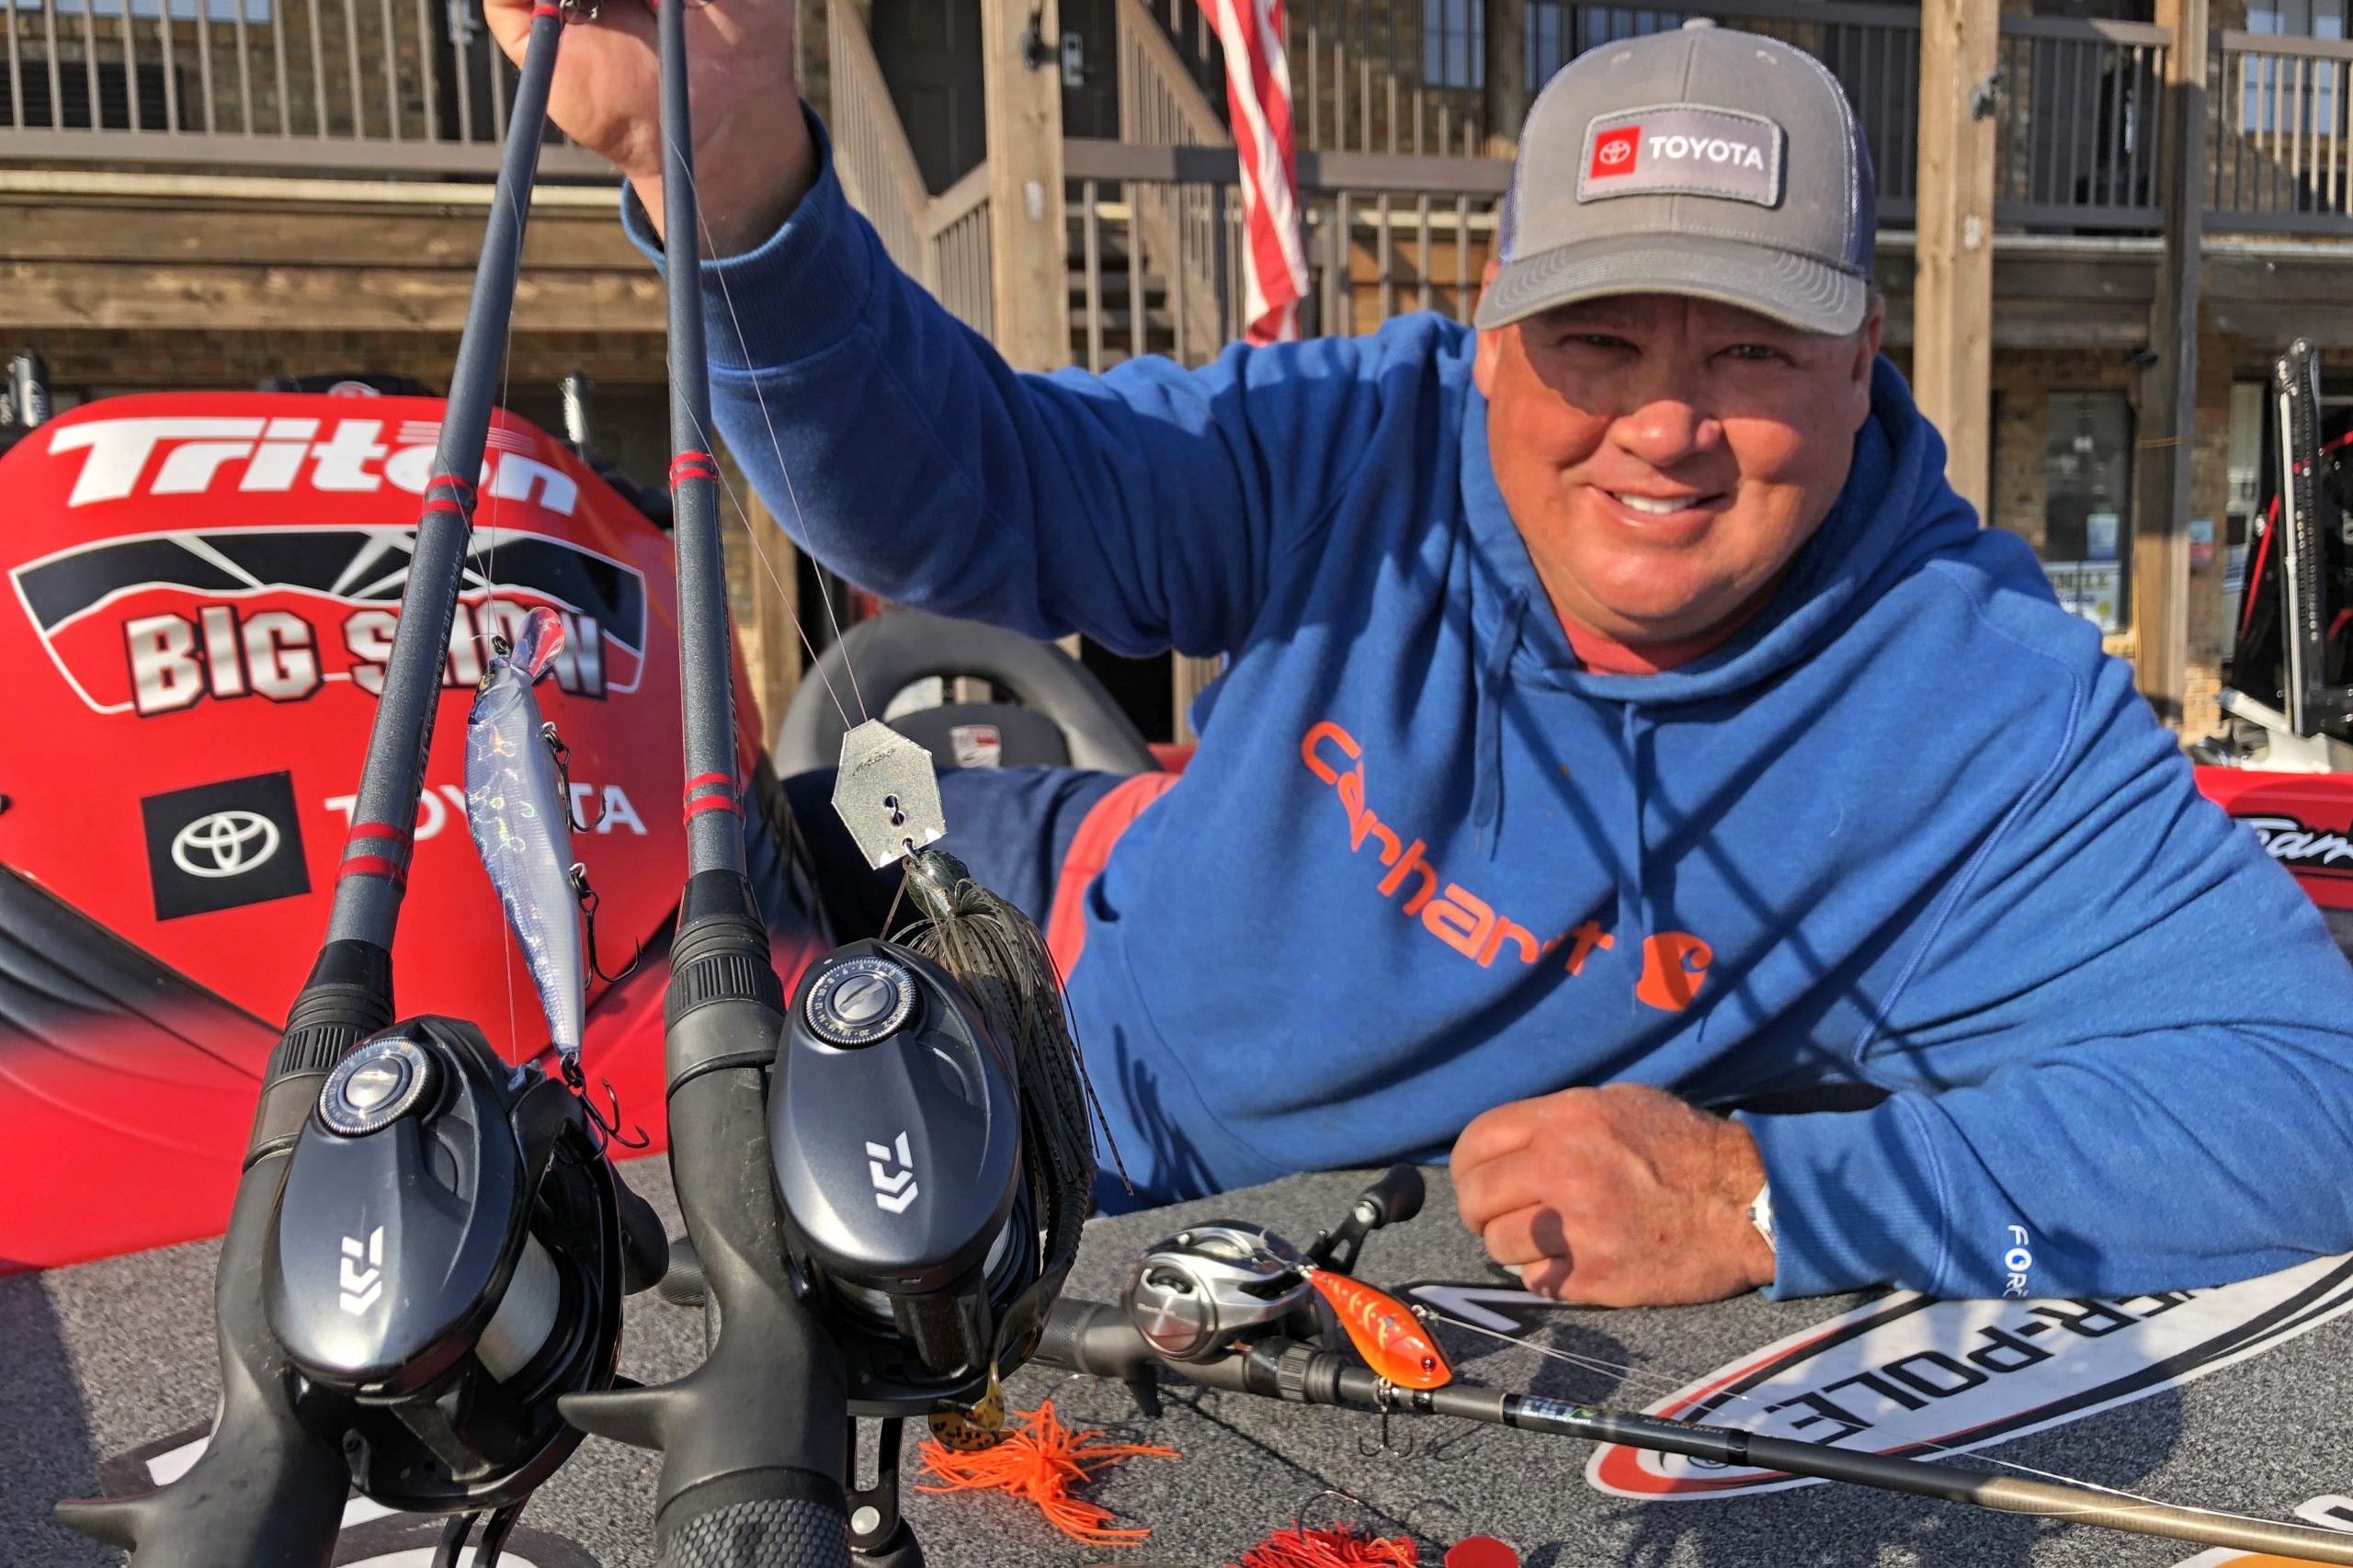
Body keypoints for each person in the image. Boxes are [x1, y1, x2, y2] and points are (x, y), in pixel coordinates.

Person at [485, 2, 2353, 1306]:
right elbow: (974, 503)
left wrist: (1760, 1196)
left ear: (1862, 362)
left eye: (1750, 351)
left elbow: (2308, 1094)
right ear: (1490, 336)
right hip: (1004, 994)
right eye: (1597, 341)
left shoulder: (1972, 705)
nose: (1663, 429)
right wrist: (731, 173)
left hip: (1234, 1244)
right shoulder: (1368, 433)